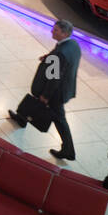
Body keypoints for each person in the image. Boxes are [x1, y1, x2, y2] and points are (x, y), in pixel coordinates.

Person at [8, 19, 81, 161]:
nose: (52, 32)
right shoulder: (73, 45)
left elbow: (54, 78)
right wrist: (48, 57)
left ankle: (68, 150)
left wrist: (46, 95)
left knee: (60, 119)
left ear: (65, 33)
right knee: (35, 104)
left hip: (55, 93)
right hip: (65, 88)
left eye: (56, 30)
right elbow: (61, 58)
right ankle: (22, 118)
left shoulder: (60, 53)